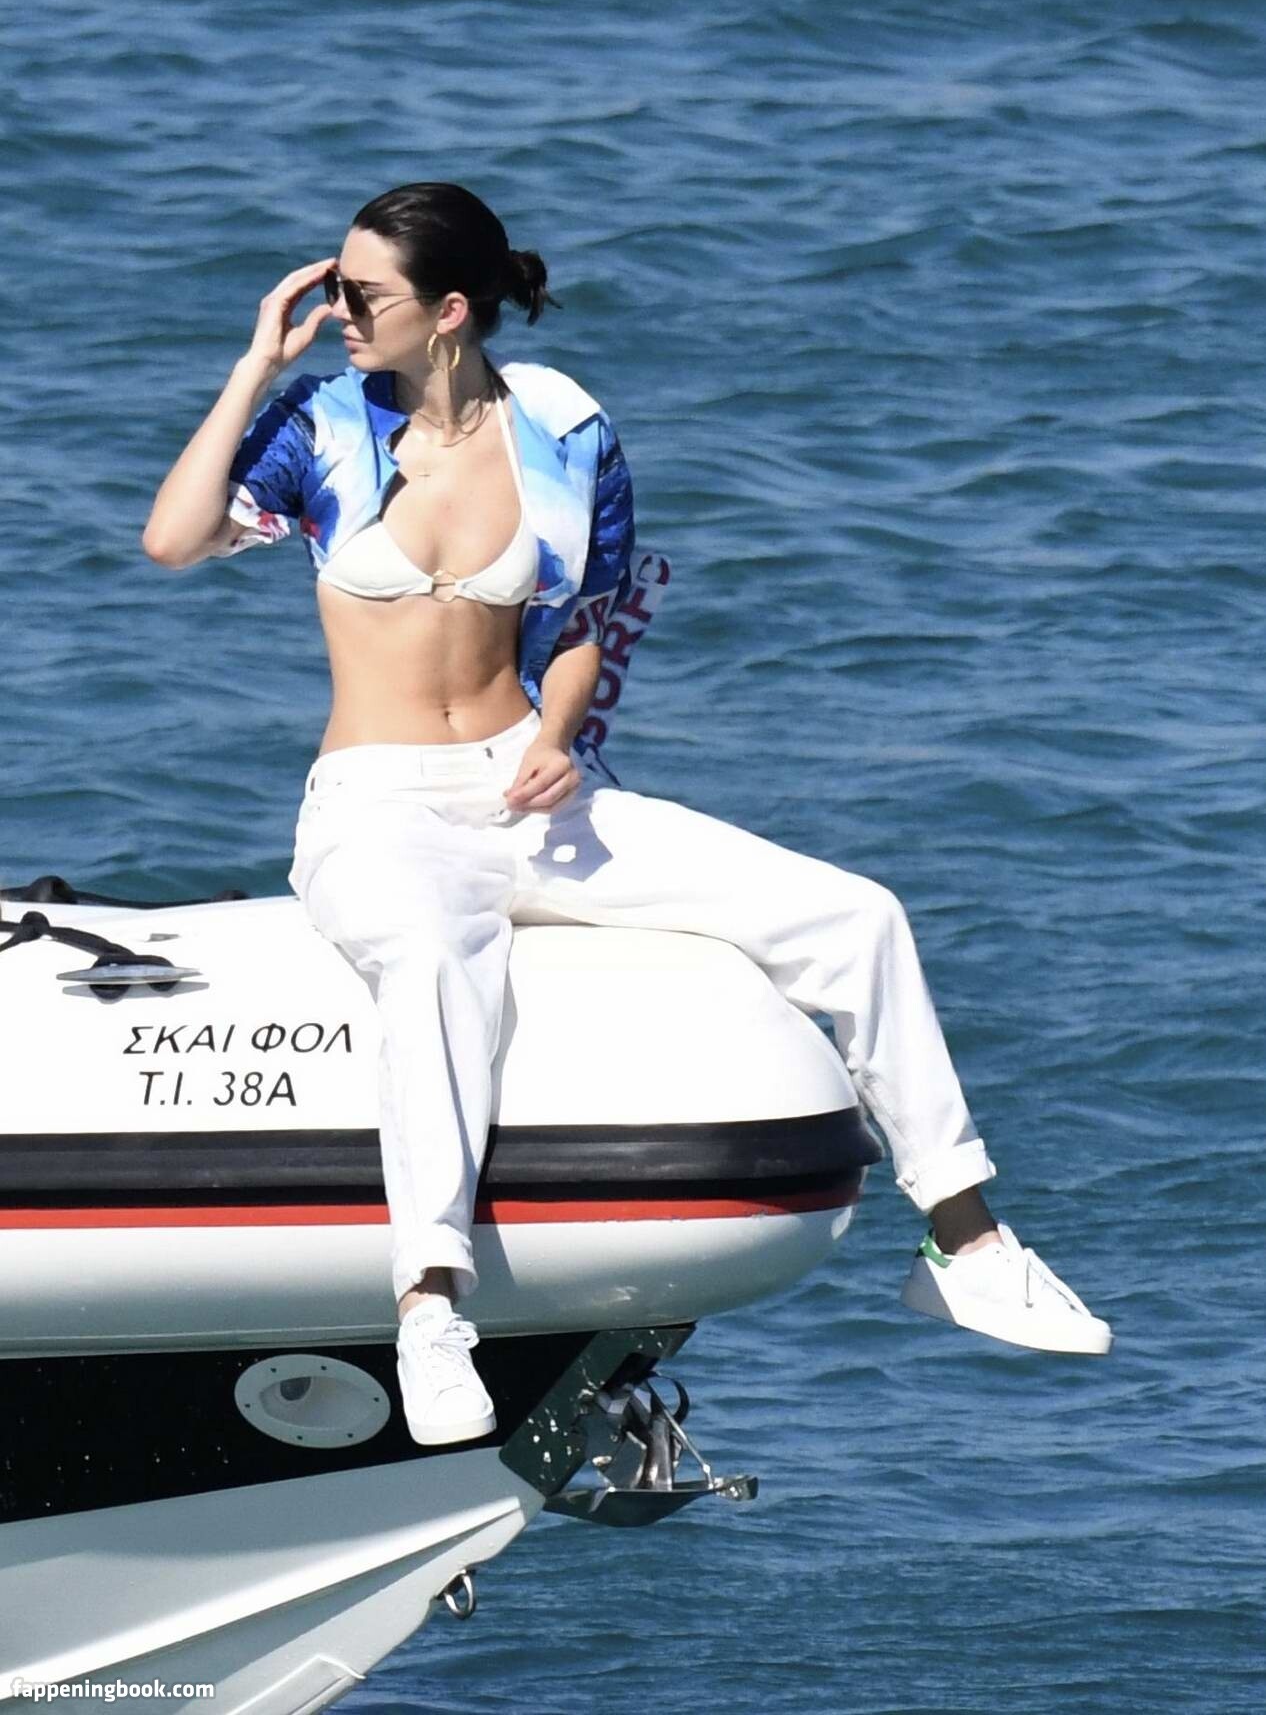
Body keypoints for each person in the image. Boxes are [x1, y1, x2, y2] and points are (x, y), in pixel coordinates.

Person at [143, 182, 1111, 1448]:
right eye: (333, 291)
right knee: (436, 964)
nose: (338, 314)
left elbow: (582, 628)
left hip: (530, 786)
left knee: (857, 915)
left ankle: (967, 1239)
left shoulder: (564, 426)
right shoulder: (321, 421)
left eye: (360, 295)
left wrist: (557, 739)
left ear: (449, 310)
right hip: (374, 810)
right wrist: (252, 364)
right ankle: (429, 1305)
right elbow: (174, 540)